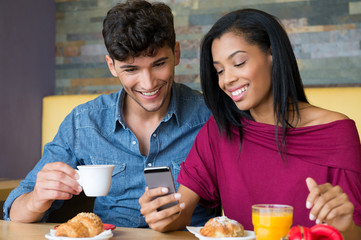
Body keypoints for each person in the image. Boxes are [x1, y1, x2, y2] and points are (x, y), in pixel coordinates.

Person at [139, 8, 361, 239]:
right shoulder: (218, 132)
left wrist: (345, 227)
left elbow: (354, 231)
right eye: (219, 70)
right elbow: (180, 213)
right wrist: (162, 215)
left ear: (272, 53)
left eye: (239, 62)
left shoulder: (336, 132)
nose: (227, 79)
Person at [3, 0, 218, 227]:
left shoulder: (211, 116)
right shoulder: (85, 123)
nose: (148, 83)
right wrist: (37, 199)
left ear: (176, 53)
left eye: (158, 64)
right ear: (111, 65)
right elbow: (14, 212)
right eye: (131, 69)